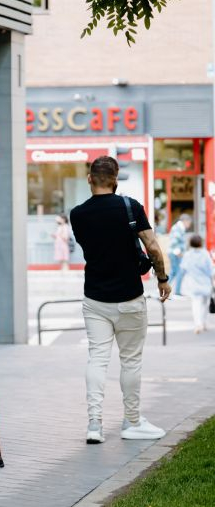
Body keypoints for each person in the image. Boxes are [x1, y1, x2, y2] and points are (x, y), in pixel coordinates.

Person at [70, 156, 171, 445]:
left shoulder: (78, 214)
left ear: (90, 179)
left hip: (95, 298)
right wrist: (162, 278)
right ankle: (133, 422)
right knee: (131, 361)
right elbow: (152, 247)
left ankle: (94, 425)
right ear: (115, 180)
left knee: (97, 358)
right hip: (129, 297)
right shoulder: (131, 207)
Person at [178, 234, 213, 334]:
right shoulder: (205, 254)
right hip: (205, 283)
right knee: (205, 304)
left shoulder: (188, 254)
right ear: (201, 243)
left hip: (193, 283)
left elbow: (183, 269)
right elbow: (210, 269)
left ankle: (198, 324)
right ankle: (204, 322)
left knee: (196, 304)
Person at [168, 214, 192, 295]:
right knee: (179, 272)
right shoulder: (178, 228)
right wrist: (178, 252)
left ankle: (163, 288)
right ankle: (177, 292)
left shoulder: (179, 228)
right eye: (189, 223)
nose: (189, 225)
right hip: (176, 253)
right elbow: (174, 241)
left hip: (174, 253)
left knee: (174, 272)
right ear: (185, 221)